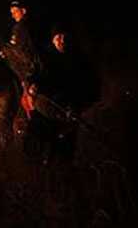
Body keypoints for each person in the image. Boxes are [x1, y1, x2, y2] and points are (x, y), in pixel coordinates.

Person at [29, 24, 100, 162]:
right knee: (43, 139)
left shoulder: (77, 58)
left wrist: (81, 105)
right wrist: (32, 85)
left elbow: (88, 84)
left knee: (66, 144)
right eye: (58, 37)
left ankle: (65, 165)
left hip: (67, 108)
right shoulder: (43, 58)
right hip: (46, 106)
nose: (62, 41)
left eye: (64, 37)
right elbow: (33, 75)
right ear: (53, 39)